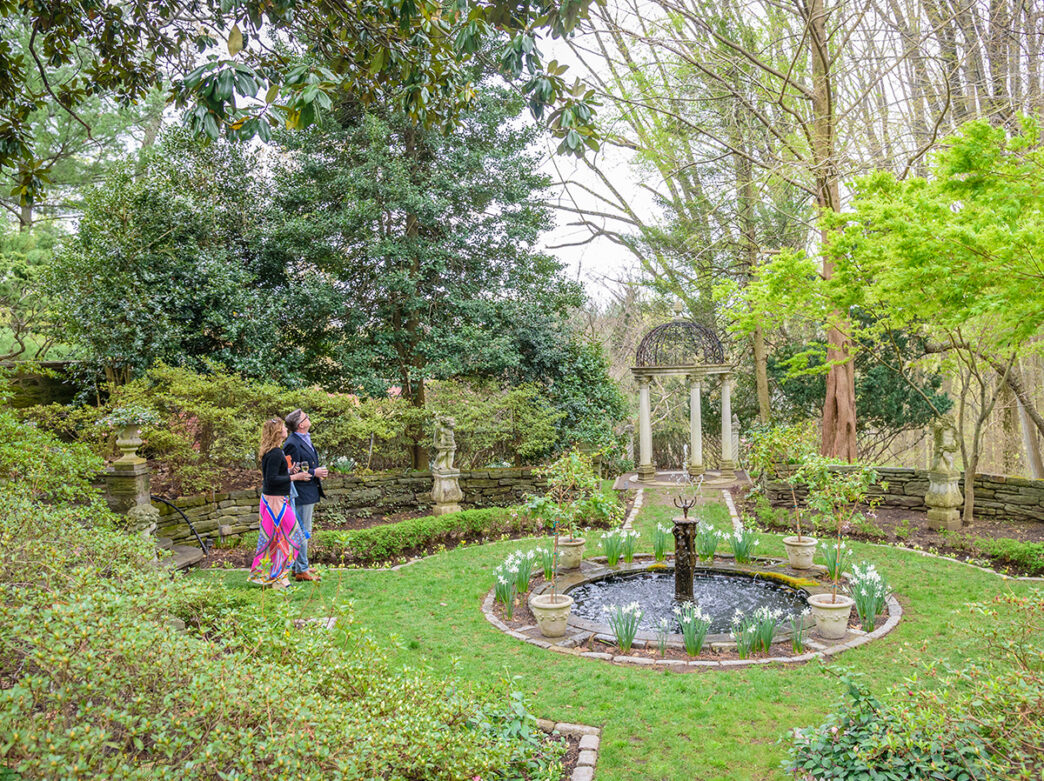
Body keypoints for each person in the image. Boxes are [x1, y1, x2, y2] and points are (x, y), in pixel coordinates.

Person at [248, 418, 311, 588]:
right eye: (282, 427)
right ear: (277, 432)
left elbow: (275, 474)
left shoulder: (274, 451)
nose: (285, 429)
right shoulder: (275, 453)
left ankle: (277, 578)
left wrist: (289, 470)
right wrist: (294, 477)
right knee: (294, 536)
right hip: (275, 503)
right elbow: (271, 480)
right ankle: (278, 576)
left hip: (274, 500)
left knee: (277, 538)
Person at [282, 408, 329, 582]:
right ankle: (301, 569)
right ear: (301, 425)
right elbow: (289, 469)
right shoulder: (292, 443)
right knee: (303, 531)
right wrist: (314, 472)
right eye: (306, 417)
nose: (309, 418)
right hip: (301, 492)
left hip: (310, 489)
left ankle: (298, 566)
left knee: (302, 530)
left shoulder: (303, 439)